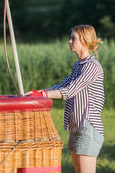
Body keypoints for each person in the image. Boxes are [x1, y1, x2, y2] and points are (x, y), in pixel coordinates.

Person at [26, 25, 104, 173]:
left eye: (73, 38)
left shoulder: (92, 66)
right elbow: (62, 85)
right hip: (76, 127)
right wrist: (37, 92)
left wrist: (42, 95)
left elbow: (69, 91)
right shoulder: (79, 66)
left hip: (88, 127)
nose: (69, 41)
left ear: (84, 40)